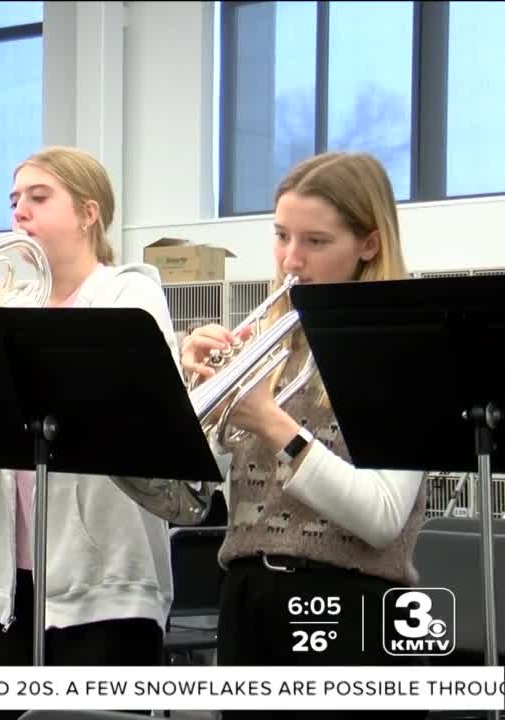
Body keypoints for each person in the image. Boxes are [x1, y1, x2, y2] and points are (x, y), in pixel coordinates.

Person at [0, 146, 179, 720]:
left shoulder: (131, 292)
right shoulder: (0, 304)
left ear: (89, 213)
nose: (19, 211)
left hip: (107, 584)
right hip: (4, 584)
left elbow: (117, 400)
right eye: (14, 199)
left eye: (39, 198)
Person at [179, 151, 426, 720]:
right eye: (282, 236)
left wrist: (272, 423)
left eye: (315, 241)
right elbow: (195, 492)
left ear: (368, 244)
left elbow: (383, 516)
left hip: (356, 612)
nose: (292, 260)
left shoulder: (400, 348)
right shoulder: (268, 339)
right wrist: (187, 392)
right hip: (249, 600)